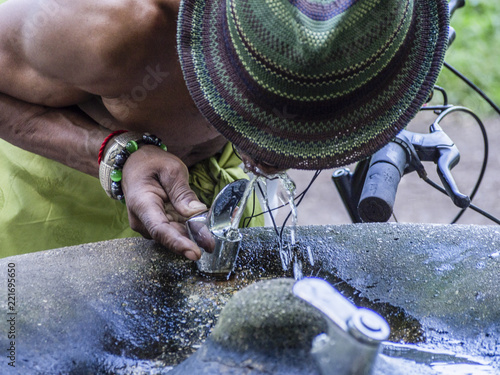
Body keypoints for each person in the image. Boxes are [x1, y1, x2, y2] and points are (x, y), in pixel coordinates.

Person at [0, 0, 449, 259]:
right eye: (265, 104)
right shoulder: (110, 29)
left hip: (215, 183)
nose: (275, 161)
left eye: (308, 122)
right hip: (65, 197)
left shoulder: (383, 17)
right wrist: (112, 154)